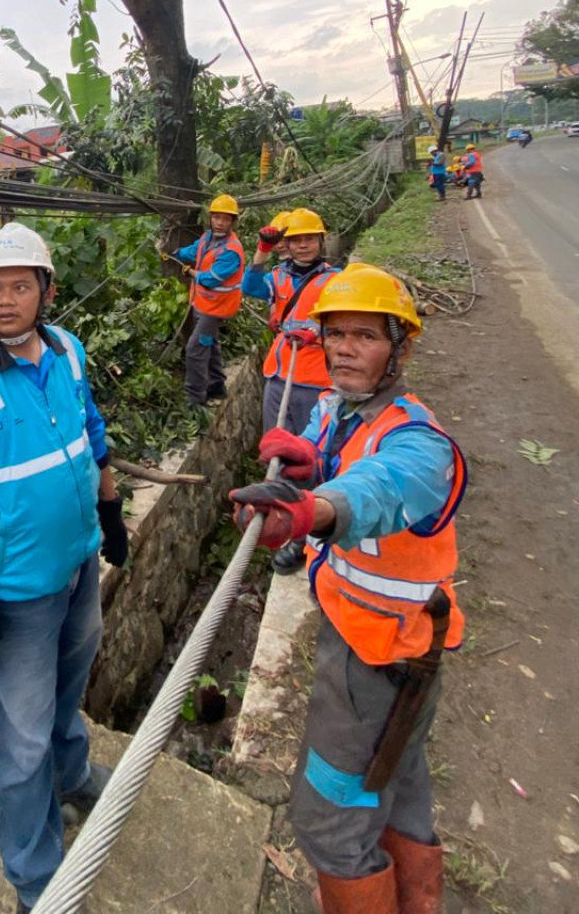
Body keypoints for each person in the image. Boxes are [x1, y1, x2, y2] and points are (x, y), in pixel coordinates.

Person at [229, 264, 466, 913]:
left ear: (401, 347)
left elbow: (379, 488)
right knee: (400, 784)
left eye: (364, 336)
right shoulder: (345, 411)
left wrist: (312, 509)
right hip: (386, 645)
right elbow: (342, 459)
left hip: (378, 660)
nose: (343, 349)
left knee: (329, 824)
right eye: (335, 335)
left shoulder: (420, 443)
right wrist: (312, 462)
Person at [0, 222, 129, 912]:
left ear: (46, 291)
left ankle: (72, 778)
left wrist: (112, 511)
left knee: (70, 688)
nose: (5, 301)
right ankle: (37, 879)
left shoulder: (67, 351)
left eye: (19, 287)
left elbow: (91, 434)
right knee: (20, 736)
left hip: (75, 568)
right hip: (14, 596)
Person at [241, 207, 337, 572]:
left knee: (311, 454)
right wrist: (262, 252)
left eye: (309, 239)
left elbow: (344, 320)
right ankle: (282, 519)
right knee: (277, 447)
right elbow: (249, 287)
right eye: (296, 240)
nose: (303, 246)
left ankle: (306, 535)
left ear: (320, 241)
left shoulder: (334, 281)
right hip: (280, 372)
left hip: (316, 378)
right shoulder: (279, 277)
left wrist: (318, 333)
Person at [174, 194, 246, 408]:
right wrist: (175, 252)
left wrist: (192, 273)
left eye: (225, 219)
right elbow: (194, 250)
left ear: (233, 222)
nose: (220, 222)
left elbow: (211, 278)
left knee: (195, 349)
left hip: (216, 308)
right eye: (217, 217)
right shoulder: (207, 238)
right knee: (210, 345)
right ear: (211, 218)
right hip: (202, 304)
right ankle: (217, 387)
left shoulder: (232, 250)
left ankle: (194, 397)